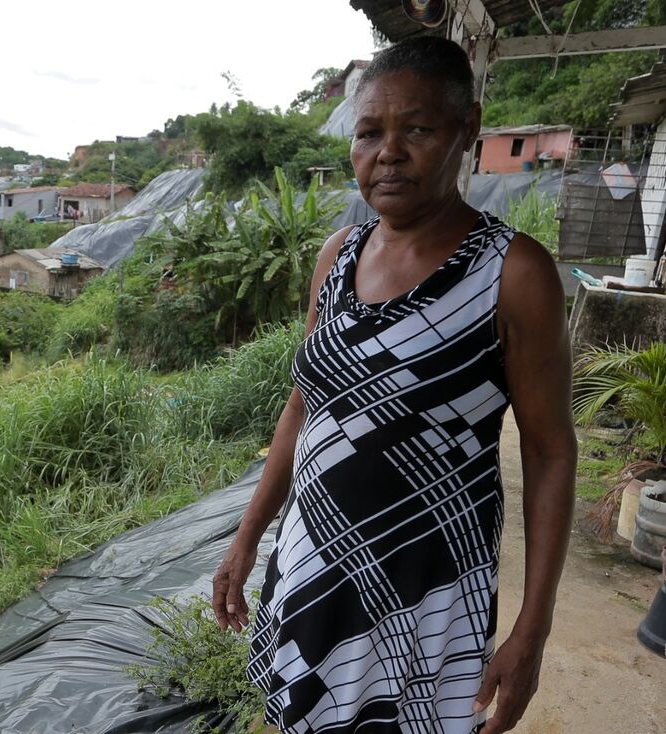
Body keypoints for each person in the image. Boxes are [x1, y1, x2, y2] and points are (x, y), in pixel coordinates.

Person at [211, 36, 576, 734]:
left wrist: (534, 626)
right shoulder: (337, 255)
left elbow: (551, 451)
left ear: (467, 130)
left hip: (424, 594)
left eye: (417, 129)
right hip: (315, 567)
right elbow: (304, 405)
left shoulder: (513, 274)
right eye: (369, 133)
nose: (388, 153)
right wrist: (247, 535)